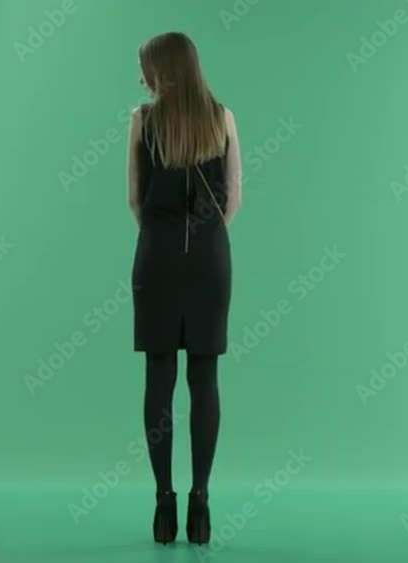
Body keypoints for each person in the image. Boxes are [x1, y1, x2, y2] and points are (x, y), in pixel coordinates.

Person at [126, 31, 242, 545]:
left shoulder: (142, 120)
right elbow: (233, 199)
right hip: (211, 260)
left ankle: (163, 504)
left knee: (159, 376)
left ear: (163, 71)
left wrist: (163, 239)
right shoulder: (222, 118)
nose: (141, 79)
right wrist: (205, 239)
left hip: (156, 256)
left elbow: (134, 198)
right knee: (204, 377)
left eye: (145, 68)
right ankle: (201, 503)